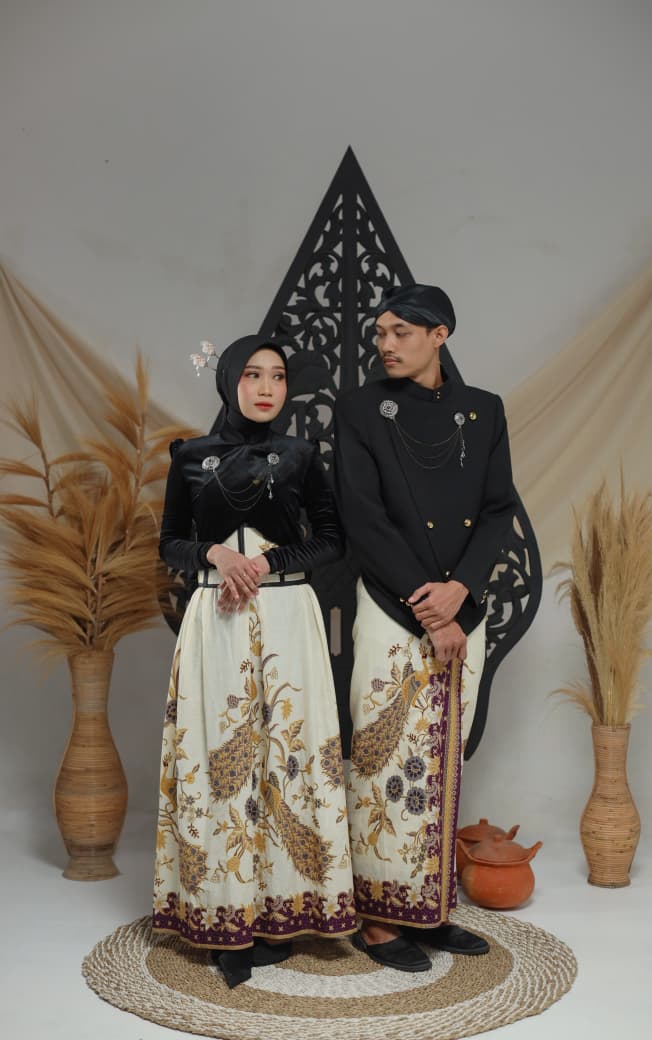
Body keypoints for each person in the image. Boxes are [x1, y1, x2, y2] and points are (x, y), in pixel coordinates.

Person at [153, 335, 357, 989]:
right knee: (222, 757)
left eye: (277, 376)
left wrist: (265, 563)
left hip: (288, 616)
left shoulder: (302, 456)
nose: (267, 388)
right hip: (217, 617)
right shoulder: (188, 456)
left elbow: (332, 539)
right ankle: (224, 913)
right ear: (228, 383)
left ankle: (285, 909)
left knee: (288, 758)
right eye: (252, 374)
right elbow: (170, 542)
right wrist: (215, 556)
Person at [334, 284, 516, 973]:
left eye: (401, 332)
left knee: (443, 760)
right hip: (392, 603)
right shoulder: (359, 409)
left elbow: (497, 509)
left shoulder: (483, 410)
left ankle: (429, 910)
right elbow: (362, 515)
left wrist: (460, 591)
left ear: (440, 335)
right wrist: (428, 606)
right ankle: (380, 920)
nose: (385, 344)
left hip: (463, 607)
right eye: (380, 332)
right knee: (386, 761)